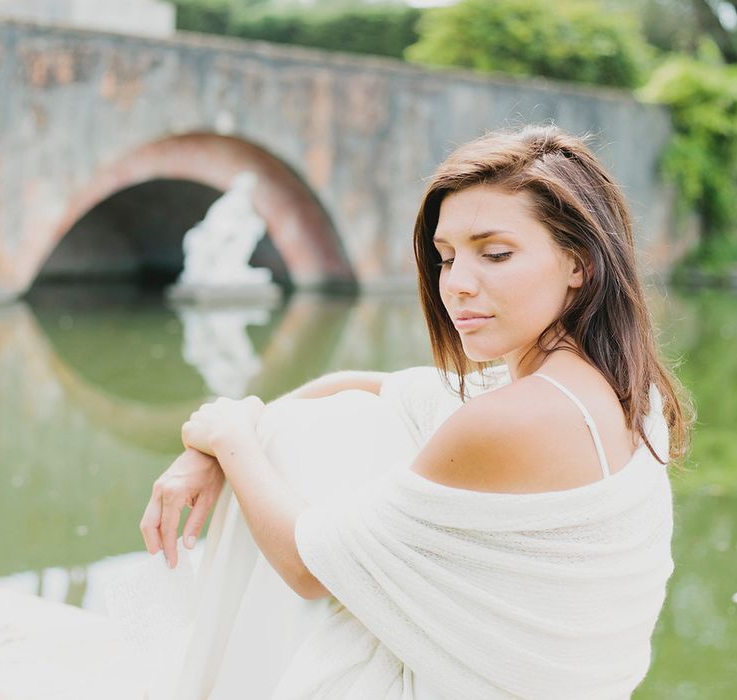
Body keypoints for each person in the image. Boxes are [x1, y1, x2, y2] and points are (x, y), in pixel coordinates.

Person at [139, 124, 692, 699]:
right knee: (338, 419)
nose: (456, 285)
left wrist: (228, 440)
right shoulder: (622, 387)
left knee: (312, 451)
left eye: (495, 254)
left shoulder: (520, 417)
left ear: (579, 264)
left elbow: (308, 567)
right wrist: (226, 436)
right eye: (446, 258)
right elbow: (361, 386)